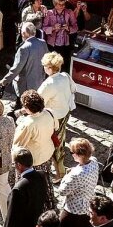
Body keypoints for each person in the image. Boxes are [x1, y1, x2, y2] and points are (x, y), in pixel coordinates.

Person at [38, 51, 77, 180]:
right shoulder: (65, 76)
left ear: (49, 68)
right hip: (65, 114)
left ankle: (59, 173)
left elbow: (38, 101)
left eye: (44, 66)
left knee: (53, 144)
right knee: (59, 142)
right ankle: (60, 170)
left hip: (53, 118)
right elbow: (74, 89)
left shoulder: (49, 83)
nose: (43, 68)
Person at [58, 138, 100, 227]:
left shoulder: (76, 174)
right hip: (88, 203)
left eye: (72, 152)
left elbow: (62, 191)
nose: (71, 154)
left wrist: (66, 176)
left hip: (74, 208)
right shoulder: (94, 161)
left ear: (80, 155)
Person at [0, 22, 47, 106]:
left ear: (24, 33)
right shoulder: (42, 43)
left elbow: (16, 69)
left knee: (24, 104)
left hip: (25, 85)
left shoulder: (23, 48)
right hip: (38, 80)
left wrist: (4, 81)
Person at [42, 0, 78, 71]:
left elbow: (75, 27)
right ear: (55, 5)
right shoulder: (49, 13)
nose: (62, 6)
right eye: (60, 4)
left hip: (65, 45)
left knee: (64, 65)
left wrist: (68, 28)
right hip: (53, 45)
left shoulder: (69, 12)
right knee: (52, 65)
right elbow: (44, 28)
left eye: (63, 4)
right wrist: (53, 28)